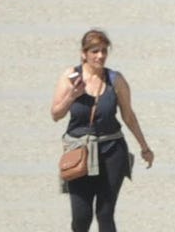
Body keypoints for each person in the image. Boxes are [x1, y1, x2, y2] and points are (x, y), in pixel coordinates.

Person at [52, 29, 153, 232]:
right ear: (84, 54)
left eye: (104, 51)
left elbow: (128, 116)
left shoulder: (115, 80)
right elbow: (56, 114)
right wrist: (72, 95)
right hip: (78, 152)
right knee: (81, 218)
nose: (100, 56)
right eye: (95, 51)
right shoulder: (70, 77)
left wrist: (144, 147)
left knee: (105, 214)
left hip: (112, 151)